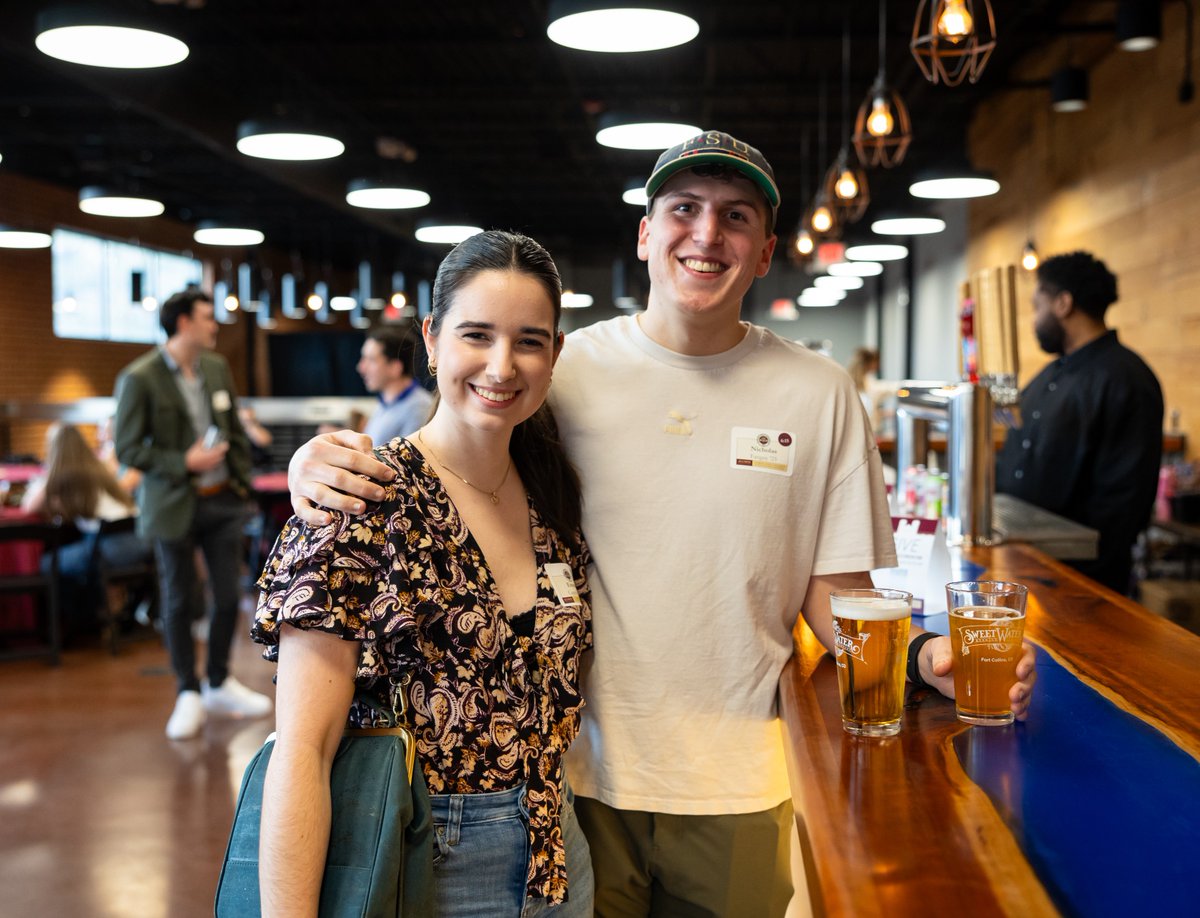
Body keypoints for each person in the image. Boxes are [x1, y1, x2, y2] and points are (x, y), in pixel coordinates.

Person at [284, 131, 1037, 916]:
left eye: (736, 216)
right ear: (646, 234)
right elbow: (459, 445)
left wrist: (917, 659)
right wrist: (323, 460)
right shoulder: (560, 374)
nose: (707, 235)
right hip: (572, 783)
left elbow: (835, 587)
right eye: (684, 209)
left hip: (739, 780)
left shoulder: (819, 393)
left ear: (767, 249)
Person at [254, 230, 594, 916]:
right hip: (423, 861)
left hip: (561, 859)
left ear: (555, 354)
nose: (501, 365)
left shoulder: (553, 499)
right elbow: (302, 753)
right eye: (477, 335)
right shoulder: (360, 504)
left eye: (529, 340)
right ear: (432, 339)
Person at [114, 286, 273, 740]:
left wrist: (241, 482)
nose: (214, 325)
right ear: (183, 322)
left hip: (222, 500)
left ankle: (218, 681)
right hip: (172, 504)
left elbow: (232, 428)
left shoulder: (216, 367)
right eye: (207, 317)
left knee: (229, 597)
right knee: (181, 600)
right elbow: (128, 448)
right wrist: (181, 462)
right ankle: (187, 689)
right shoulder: (139, 377)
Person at [996, 251, 1163, 595]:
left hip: (1081, 582)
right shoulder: (1049, 375)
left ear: (1063, 304)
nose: (1034, 320)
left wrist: (1079, 582)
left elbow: (1123, 502)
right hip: (1024, 564)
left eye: (1036, 306)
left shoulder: (1126, 378)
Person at [21, 423, 152, 635]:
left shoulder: (63, 474)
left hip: (111, 549)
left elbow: (28, 506)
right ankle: (95, 618)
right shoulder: (100, 467)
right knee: (77, 555)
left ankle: (78, 626)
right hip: (141, 541)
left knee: (47, 563)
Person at [356, 325, 435, 446]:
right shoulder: (384, 405)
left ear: (395, 367)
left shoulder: (419, 409)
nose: (361, 368)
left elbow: (408, 462)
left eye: (371, 360)